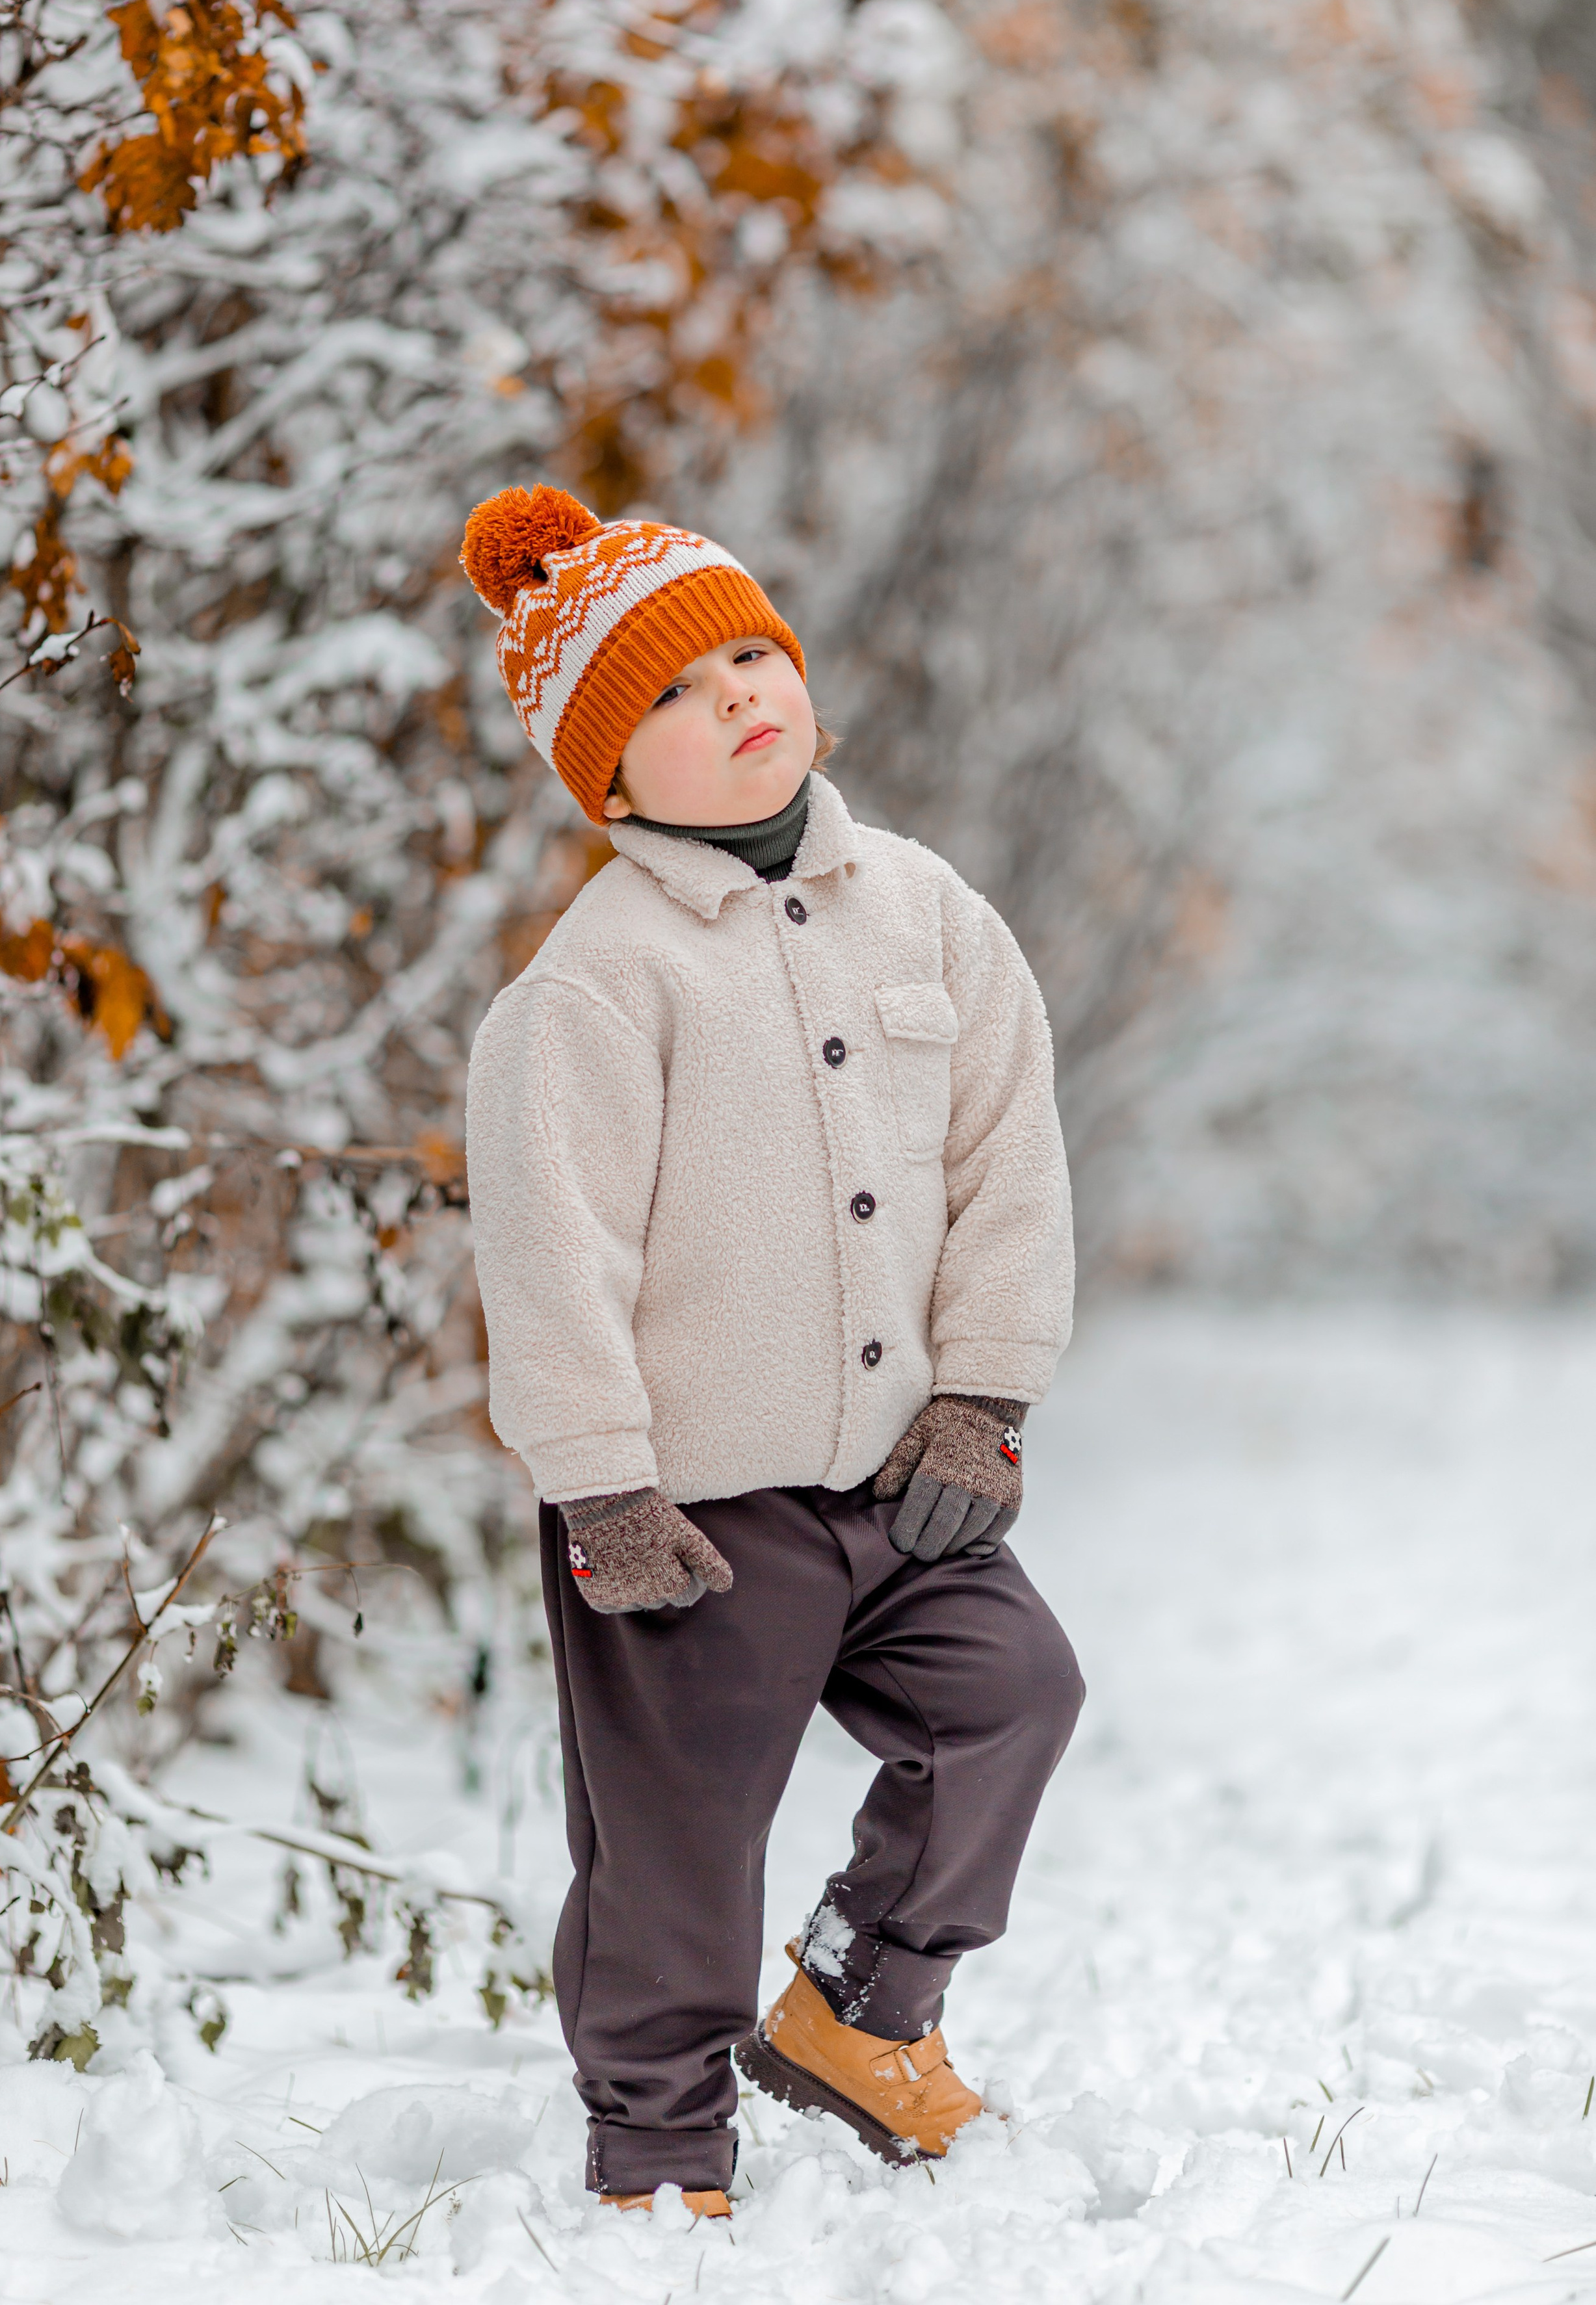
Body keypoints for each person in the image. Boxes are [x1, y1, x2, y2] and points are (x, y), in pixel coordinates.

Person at [461, 485, 1084, 2221]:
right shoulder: (597, 984)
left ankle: (864, 2008)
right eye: (669, 692)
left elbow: (1003, 1160)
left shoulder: (933, 916)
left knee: (1012, 1699)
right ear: (608, 777)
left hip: (901, 1481)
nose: (734, 697)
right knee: (679, 1837)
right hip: (692, 1515)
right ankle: (659, 2142)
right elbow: (546, 1250)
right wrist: (603, 1489)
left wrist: (984, 1392)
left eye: (751, 655)